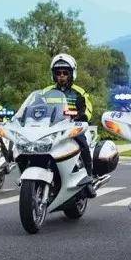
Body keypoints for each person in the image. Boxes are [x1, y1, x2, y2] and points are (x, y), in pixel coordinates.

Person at [42, 53, 98, 197]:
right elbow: (36, 107)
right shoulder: (46, 92)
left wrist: (83, 116)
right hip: (50, 128)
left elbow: (88, 108)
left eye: (65, 73)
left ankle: (89, 179)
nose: (61, 76)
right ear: (54, 75)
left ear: (71, 74)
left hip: (72, 127)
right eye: (58, 73)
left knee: (83, 145)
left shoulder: (79, 92)